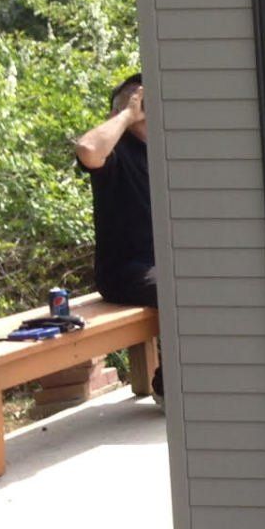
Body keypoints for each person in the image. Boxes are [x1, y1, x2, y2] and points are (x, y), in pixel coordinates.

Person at [74, 72, 162, 396]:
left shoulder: (163, 152)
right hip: (126, 272)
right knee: (183, 290)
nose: (147, 110)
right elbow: (86, 150)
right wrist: (126, 115)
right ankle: (172, 385)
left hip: (162, 267)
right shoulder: (115, 152)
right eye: (140, 102)